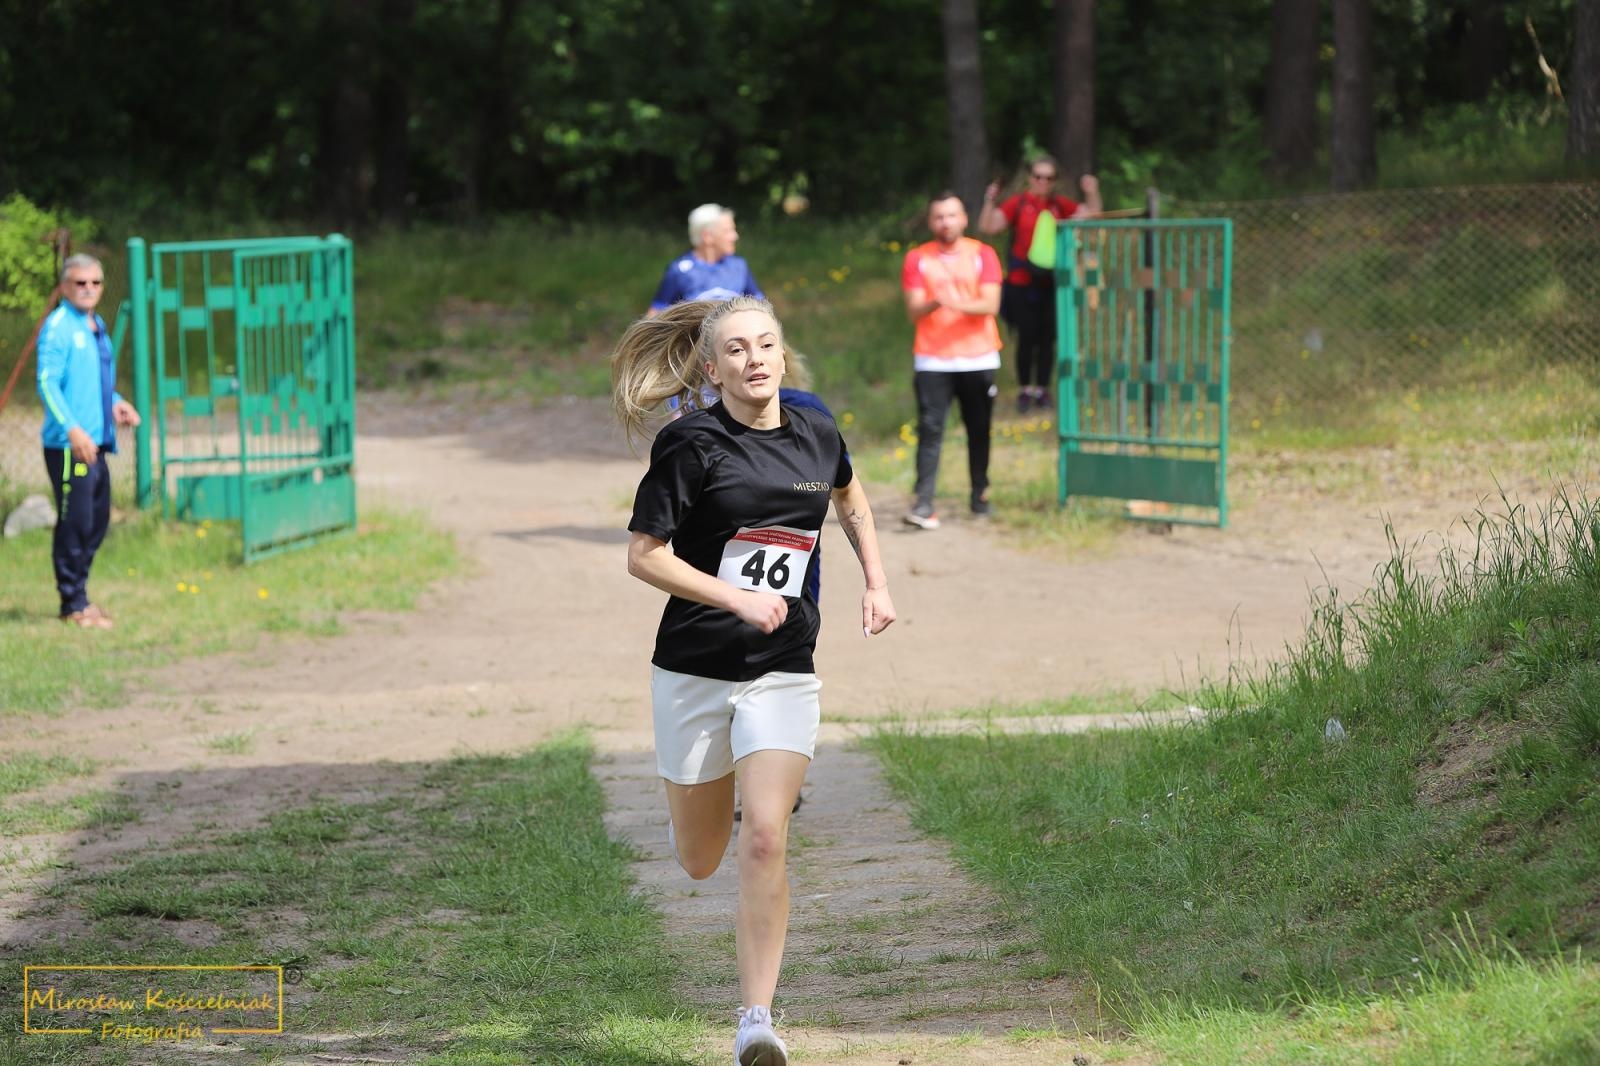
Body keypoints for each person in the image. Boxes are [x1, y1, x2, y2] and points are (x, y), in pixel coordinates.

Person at [614, 296, 895, 1066]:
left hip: (783, 667)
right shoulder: (690, 443)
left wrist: (876, 580)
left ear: (782, 353)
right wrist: (734, 595)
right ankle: (694, 810)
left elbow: (850, 495)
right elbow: (644, 555)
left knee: (767, 835)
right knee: (702, 856)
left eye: (766, 344)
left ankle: (757, 1020)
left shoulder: (814, 425)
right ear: (712, 367)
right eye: (736, 350)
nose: (755, 359)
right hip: (695, 668)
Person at [36, 253, 141, 630]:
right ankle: (72, 604)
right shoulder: (59, 326)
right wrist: (73, 429)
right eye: (80, 283)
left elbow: (97, 384)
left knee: (97, 521)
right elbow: (47, 383)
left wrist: (117, 404)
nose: (88, 289)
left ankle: (80, 595)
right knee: (76, 522)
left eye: (95, 283)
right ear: (65, 287)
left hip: (95, 443)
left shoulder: (94, 325)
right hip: (68, 446)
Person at [899, 190, 1005, 530]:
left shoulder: (983, 254)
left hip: (979, 357)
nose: (946, 222)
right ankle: (924, 502)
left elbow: (990, 304)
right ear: (931, 222)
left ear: (964, 218)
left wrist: (953, 302)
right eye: (939, 217)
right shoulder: (918, 258)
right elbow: (914, 310)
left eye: (951, 215)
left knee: (979, 430)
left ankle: (980, 495)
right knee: (930, 431)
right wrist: (935, 302)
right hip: (933, 360)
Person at [978, 155, 1101, 412]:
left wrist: (1092, 193)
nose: (1042, 182)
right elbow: (988, 226)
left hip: (1051, 283)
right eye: (1038, 176)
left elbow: (1092, 218)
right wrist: (989, 199)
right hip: (1021, 282)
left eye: (1048, 178)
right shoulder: (1019, 204)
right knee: (1026, 337)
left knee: (1047, 339)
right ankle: (1025, 390)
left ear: (1054, 181)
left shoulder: (1059, 206)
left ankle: (1043, 390)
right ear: (1030, 178)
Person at [648, 203, 765, 315]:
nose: (735, 236)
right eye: (727, 231)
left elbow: (761, 308)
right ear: (707, 236)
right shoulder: (680, 271)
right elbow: (656, 314)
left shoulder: (739, 266)